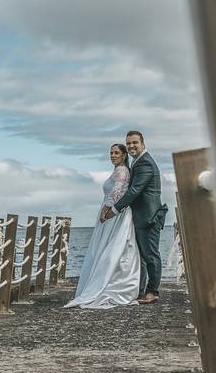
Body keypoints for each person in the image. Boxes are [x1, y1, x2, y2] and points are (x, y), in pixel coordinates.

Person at [64, 144, 141, 308]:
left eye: (116, 153)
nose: (112, 155)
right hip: (111, 211)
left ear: (124, 155)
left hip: (114, 214)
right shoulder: (117, 170)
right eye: (111, 153)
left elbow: (117, 192)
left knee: (111, 248)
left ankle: (108, 284)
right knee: (105, 247)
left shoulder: (122, 171)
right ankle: (103, 281)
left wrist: (106, 210)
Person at [100, 131, 168, 304]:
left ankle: (152, 292)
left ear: (143, 144)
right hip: (141, 216)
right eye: (128, 143)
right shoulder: (138, 162)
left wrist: (114, 210)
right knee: (143, 257)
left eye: (135, 143)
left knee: (150, 255)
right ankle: (140, 290)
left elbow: (134, 191)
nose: (131, 146)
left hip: (148, 217)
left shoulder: (145, 163)